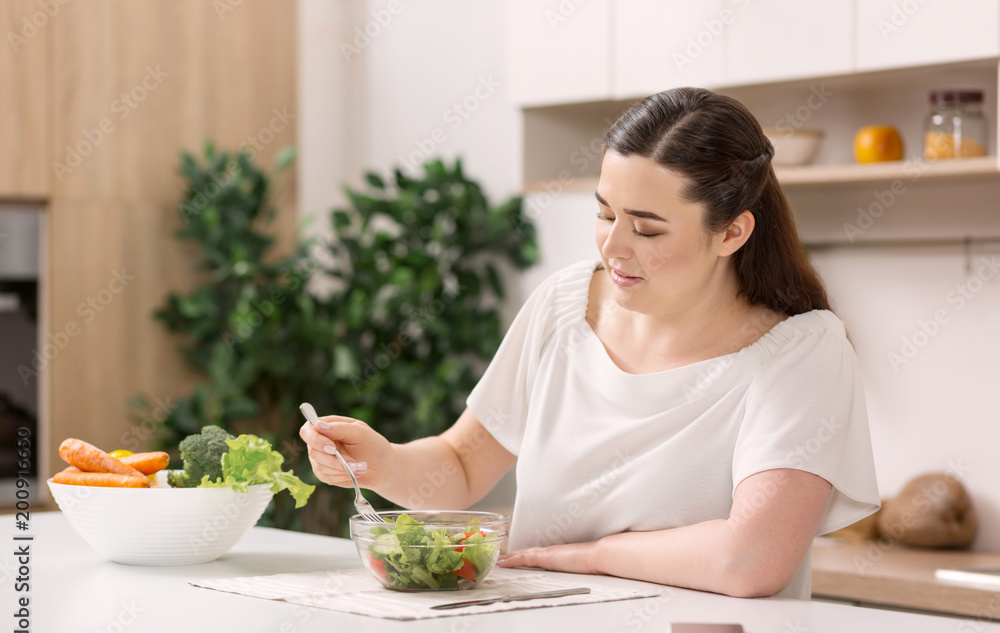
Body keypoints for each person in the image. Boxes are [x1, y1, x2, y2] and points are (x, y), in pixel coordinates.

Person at [300, 87, 880, 600]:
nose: (615, 247)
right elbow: (459, 465)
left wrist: (591, 556)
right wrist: (383, 463)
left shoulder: (802, 350)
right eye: (605, 215)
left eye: (648, 228)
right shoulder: (564, 305)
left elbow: (752, 560)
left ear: (732, 231)